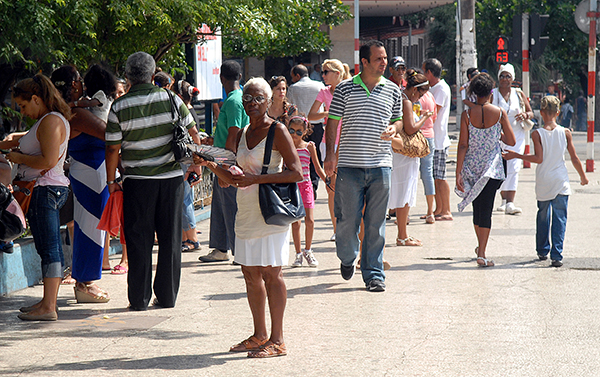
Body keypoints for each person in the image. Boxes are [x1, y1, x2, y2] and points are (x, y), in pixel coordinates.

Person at [194, 77, 302, 358]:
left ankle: (277, 340)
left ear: (268, 102)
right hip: (245, 212)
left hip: (270, 214)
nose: (251, 104)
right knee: (250, 273)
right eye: (248, 99)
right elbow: (231, 178)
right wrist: (209, 164)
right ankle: (259, 334)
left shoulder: (277, 130)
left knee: (271, 272)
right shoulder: (240, 134)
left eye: (257, 99)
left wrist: (257, 178)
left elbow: (296, 173)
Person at [106, 51, 197, 310]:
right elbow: (194, 135)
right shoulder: (171, 99)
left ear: (127, 76)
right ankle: (167, 297)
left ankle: (139, 299)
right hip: (171, 180)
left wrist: (112, 180)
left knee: (138, 239)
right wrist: (193, 167)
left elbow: (112, 149)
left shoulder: (119, 106)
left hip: (137, 182)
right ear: (153, 72)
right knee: (170, 239)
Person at [324, 40, 403, 292]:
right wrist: (330, 156)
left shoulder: (392, 90)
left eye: (385, 58)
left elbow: (398, 120)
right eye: (379, 58)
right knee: (347, 220)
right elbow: (333, 123)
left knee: (376, 222)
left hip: (381, 165)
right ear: (365, 62)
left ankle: (373, 274)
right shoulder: (345, 89)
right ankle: (347, 258)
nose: (384, 62)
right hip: (349, 166)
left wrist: (394, 128)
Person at [6, 74, 71, 320]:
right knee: (46, 246)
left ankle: (48, 307)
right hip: (44, 188)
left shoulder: (51, 121)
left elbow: (47, 161)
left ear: (36, 98)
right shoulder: (47, 120)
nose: (23, 112)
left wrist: (19, 158)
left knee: (50, 247)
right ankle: (47, 302)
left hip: (45, 188)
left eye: (23, 105)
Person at [504, 95, 589, 267]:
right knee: (560, 218)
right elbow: (574, 158)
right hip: (561, 181)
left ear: (541, 113)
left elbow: (538, 158)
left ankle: (542, 250)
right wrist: (583, 176)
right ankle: (557, 255)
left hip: (544, 181)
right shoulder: (566, 133)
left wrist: (516, 155)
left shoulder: (537, 134)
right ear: (557, 113)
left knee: (543, 216)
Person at [51, 65, 111, 303]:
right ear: (74, 85)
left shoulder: (69, 111)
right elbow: (108, 134)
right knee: (91, 228)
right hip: (92, 172)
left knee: (90, 228)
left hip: (88, 171)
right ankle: (84, 283)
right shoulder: (80, 114)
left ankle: (85, 280)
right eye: (79, 80)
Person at [455, 73, 516, 267]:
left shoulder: (466, 115)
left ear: (473, 93)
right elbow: (511, 140)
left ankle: (479, 247)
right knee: (487, 209)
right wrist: (497, 136)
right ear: (491, 92)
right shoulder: (499, 113)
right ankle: (482, 251)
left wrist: (458, 172)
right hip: (492, 168)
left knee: (477, 207)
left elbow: (463, 145)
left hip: (472, 168)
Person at [198, 60, 249, 263]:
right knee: (220, 206)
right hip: (222, 158)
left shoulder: (234, 101)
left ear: (222, 78)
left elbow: (234, 133)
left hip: (227, 161)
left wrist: (226, 167)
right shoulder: (238, 98)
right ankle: (220, 248)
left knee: (230, 207)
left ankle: (239, 252)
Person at [308, 58, 351, 241]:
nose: (323, 75)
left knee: (349, 185)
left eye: (326, 72)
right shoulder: (324, 92)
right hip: (329, 142)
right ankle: (336, 229)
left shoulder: (349, 90)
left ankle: (350, 226)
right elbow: (311, 115)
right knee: (331, 188)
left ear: (338, 73)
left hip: (348, 142)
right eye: (323, 72)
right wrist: (328, 113)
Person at [390, 70, 434, 246]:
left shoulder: (400, 97)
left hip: (398, 153)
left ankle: (403, 234)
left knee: (401, 193)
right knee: (404, 194)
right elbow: (410, 128)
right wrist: (423, 118)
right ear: (415, 90)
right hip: (404, 157)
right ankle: (402, 236)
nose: (421, 98)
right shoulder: (406, 102)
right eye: (421, 94)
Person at [491, 63, 533, 215]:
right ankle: (503, 200)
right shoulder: (493, 94)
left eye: (508, 76)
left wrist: (525, 115)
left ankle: (510, 202)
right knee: (501, 167)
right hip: (498, 137)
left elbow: (531, 112)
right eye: (502, 76)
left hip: (517, 136)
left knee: (514, 167)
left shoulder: (518, 94)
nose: (504, 79)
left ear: (512, 79)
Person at [288, 115, 326, 267]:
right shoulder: (286, 146)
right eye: (292, 130)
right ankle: (298, 254)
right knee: (296, 222)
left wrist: (327, 181)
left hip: (306, 185)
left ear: (305, 132)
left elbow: (317, 167)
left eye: (299, 132)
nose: (295, 134)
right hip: (292, 187)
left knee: (309, 220)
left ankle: (308, 250)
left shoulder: (309, 146)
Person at [173, 80, 203, 253]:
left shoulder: (185, 114)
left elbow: (194, 139)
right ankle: (187, 237)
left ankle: (192, 238)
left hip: (187, 162)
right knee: (185, 199)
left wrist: (195, 164)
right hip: (188, 161)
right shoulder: (190, 111)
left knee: (185, 201)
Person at [422, 58, 453, 221]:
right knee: (435, 176)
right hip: (435, 138)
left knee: (440, 177)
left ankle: (446, 209)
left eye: (423, 71)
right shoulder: (434, 88)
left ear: (429, 72)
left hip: (439, 139)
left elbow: (434, 113)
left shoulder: (440, 88)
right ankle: (438, 209)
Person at [288, 64, 326, 196]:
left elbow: (290, 108)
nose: (292, 79)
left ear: (297, 76)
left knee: (300, 156)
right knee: (316, 156)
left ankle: (301, 183)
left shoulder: (293, 88)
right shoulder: (320, 85)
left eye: (293, 76)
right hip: (317, 125)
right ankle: (313, 186)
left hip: (298, 127)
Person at [417, 82, 437, 224]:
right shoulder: (430, 96)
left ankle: (403, 214)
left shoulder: (414, 98)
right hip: (430, 136)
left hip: (416, 137)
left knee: (410, 175)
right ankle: (430, 212)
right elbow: (434, 116)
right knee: (427, 173)